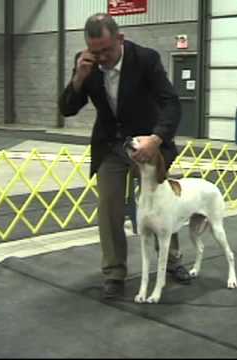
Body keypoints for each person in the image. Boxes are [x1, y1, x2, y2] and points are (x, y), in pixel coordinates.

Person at [59, 12, 191, 298]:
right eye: (95, 51)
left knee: (161, 204)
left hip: (147, 144)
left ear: (120, 39)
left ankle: (171, 261)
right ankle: (114, 273)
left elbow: (171, 104)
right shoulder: (87, 64)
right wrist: (79, 78)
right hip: (111, 145)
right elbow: (68, 108)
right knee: (109, 208)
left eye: (106, 50)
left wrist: (156, 140)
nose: (101, 57)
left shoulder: (146, 59)